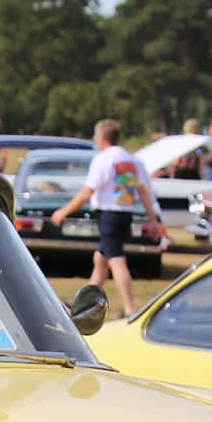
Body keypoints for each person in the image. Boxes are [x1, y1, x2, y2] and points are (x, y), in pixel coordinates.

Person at [47, 118, 165, 318]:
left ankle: (129, 309)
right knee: (100, 260)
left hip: (109, 215)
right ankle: (81, 305)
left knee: (117, 261)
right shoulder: (131, 160)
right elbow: (143, 192)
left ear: (101, 138)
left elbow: (87, 192)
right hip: (125, 214)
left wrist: (63, 211)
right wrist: (152, 220)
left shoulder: (103, 160)